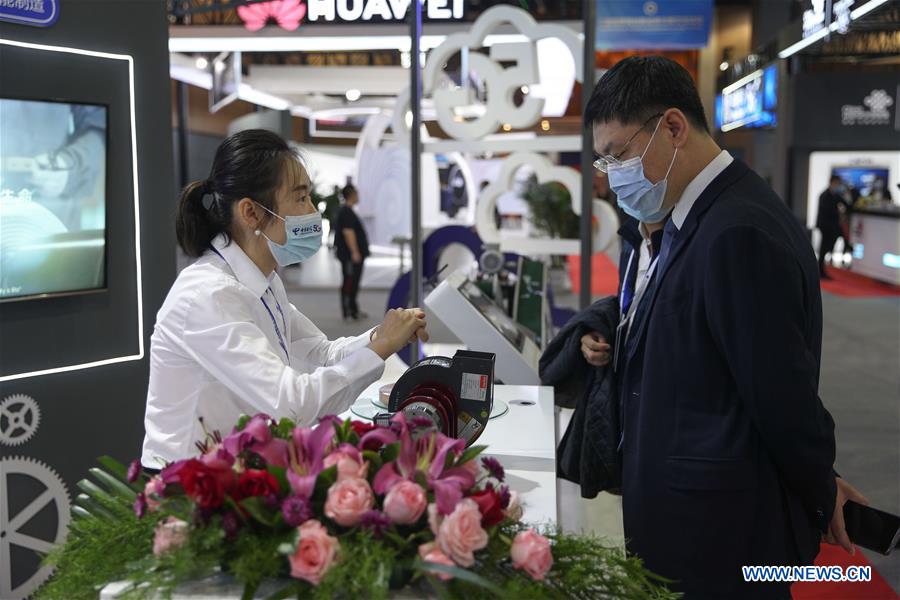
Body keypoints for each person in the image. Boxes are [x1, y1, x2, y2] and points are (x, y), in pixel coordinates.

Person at [581, 56, 866, 598]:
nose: (611, 175)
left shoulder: (737, 231)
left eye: (617, 156)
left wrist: (817, 486)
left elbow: (781, 393)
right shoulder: (687, 219)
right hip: (687, 513)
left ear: (672, 127)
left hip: (719, 533)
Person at [141, 130, 428, 469]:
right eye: (301, 198)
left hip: (234, 470)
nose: (312, 212)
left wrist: (383, 336)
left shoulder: (263, 281)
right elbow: (290, 406)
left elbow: (321, 355)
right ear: (251, 213)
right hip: (185, 484)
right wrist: (380, 348)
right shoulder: (209, 295)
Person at [334, 183, 370, 320]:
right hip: (349, 256)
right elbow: (348, 232)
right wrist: (355, 251)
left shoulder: (348, 211)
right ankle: (348, 310)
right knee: (350, 281)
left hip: (350, 255)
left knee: (352, 281)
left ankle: (353, 309)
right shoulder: (346, 212)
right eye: (357, 193)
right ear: (352, 195)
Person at [816, 175, 852, 279]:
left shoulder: (836, 195)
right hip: (825, 226)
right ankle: (820, 270)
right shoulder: (824, 195)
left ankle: (822, 269)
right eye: (837, 183)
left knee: (827, 247)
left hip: (833, 226)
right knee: (824, 248)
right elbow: (826, 211)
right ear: (832, 182)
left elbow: (847, 205)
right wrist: (838, 213)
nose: (838, 185)